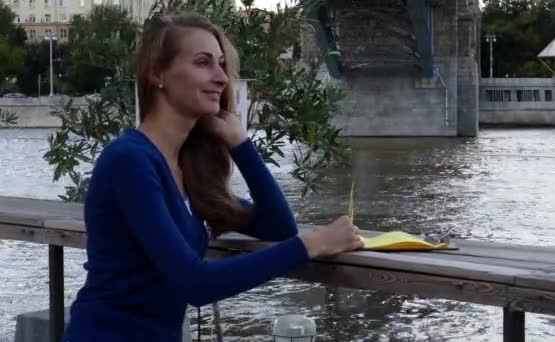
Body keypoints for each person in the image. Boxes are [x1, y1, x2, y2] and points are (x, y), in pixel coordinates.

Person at [62, 12, 363, 342]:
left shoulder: (189, 169)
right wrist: (313, 243)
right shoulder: (130, 160)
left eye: (221, 64)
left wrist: (239, 142)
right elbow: (195, 283)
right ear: (157, 72)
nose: (221, 78)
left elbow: (279, 227)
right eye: (203, 63)